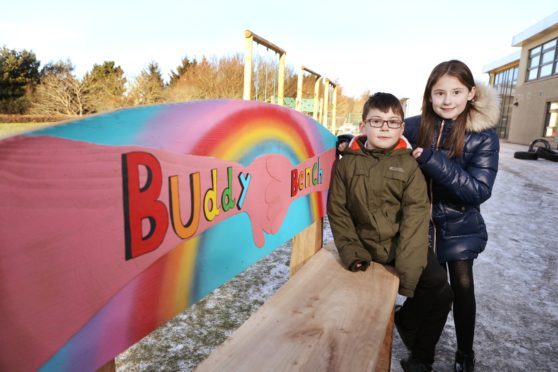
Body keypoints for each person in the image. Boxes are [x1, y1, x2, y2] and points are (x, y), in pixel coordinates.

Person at [328, 92, 453, 372]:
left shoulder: (409, 165)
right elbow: (338, 211)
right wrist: (353, 251)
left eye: (392, 122)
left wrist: (408, 273)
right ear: (363, 127)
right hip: (364, 246)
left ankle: (419, 357)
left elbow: (415, 217)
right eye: (377, 121)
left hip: (399, 245)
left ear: (401, 128)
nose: (384, 128)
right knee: (429, 289)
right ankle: (404, 330)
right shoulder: (347, 162)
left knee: (441, 289)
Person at [404, 60, 500, 372]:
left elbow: (478, 190)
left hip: (459, 223)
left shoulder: (483, 135)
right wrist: (353, 144)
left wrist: (433, 161)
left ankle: (465, 353)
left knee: (462, 286)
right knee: (434, 291)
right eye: (440, 92)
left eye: (456, 92)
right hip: (420, 225)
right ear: (429, 95)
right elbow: (379, 142)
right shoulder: (413, 127)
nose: (448, 100)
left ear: (471, 93)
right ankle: (422, 354)